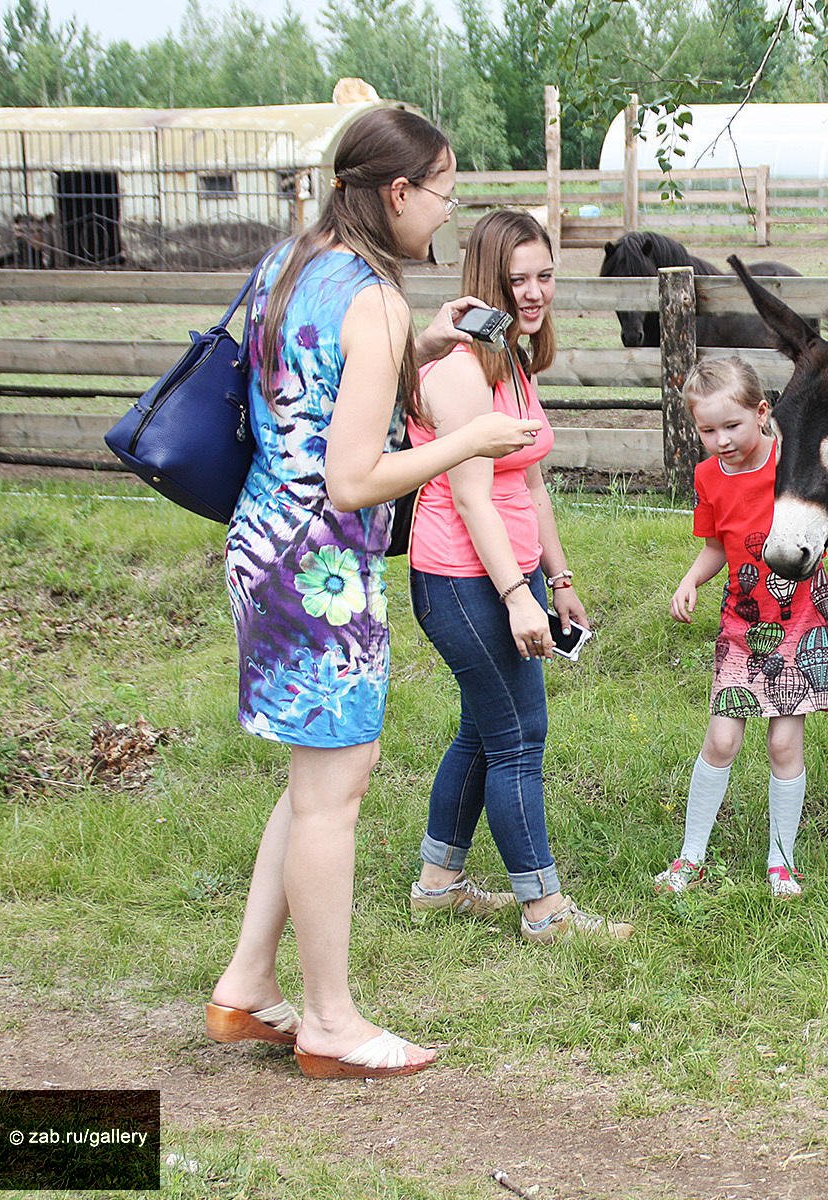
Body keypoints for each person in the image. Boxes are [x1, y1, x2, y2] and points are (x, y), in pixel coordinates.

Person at [205, 109, 547, 1080]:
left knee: (312, 781)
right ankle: (329, 1020)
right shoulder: (374, 298)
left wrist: (424, 348)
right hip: (320, 570)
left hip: (263, 544)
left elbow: (317, 403)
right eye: (442, 191)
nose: (446, 214)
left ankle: (244, 986)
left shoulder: (295, 264)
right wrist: (467, 443)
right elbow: (353, 477)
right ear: (397, 192)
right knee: (335, 795)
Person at [404, 208, 631, 944]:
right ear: (487, 282)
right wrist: (513, 596)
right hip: (461, 578)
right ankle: (546, 911)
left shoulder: (515, 362)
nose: (534, 293)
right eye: (517, 279)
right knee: (519, 736)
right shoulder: (465, 371)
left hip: (507, 571)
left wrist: (557, 582)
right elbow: (471, 496)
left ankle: (438, 885)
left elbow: (529, 485)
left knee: (483, 726)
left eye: (544, 275)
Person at [656, 357, 828, 898]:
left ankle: (781, 862)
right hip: (742, 626)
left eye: (732, 426)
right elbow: (715, 546)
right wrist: (691, 580)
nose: (721, 440)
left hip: (799, 619)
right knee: (722, 739)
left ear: (763, 414)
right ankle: (690, 858)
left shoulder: (788, 460)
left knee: (783, 745)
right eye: (707, 430)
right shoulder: (708, 477)